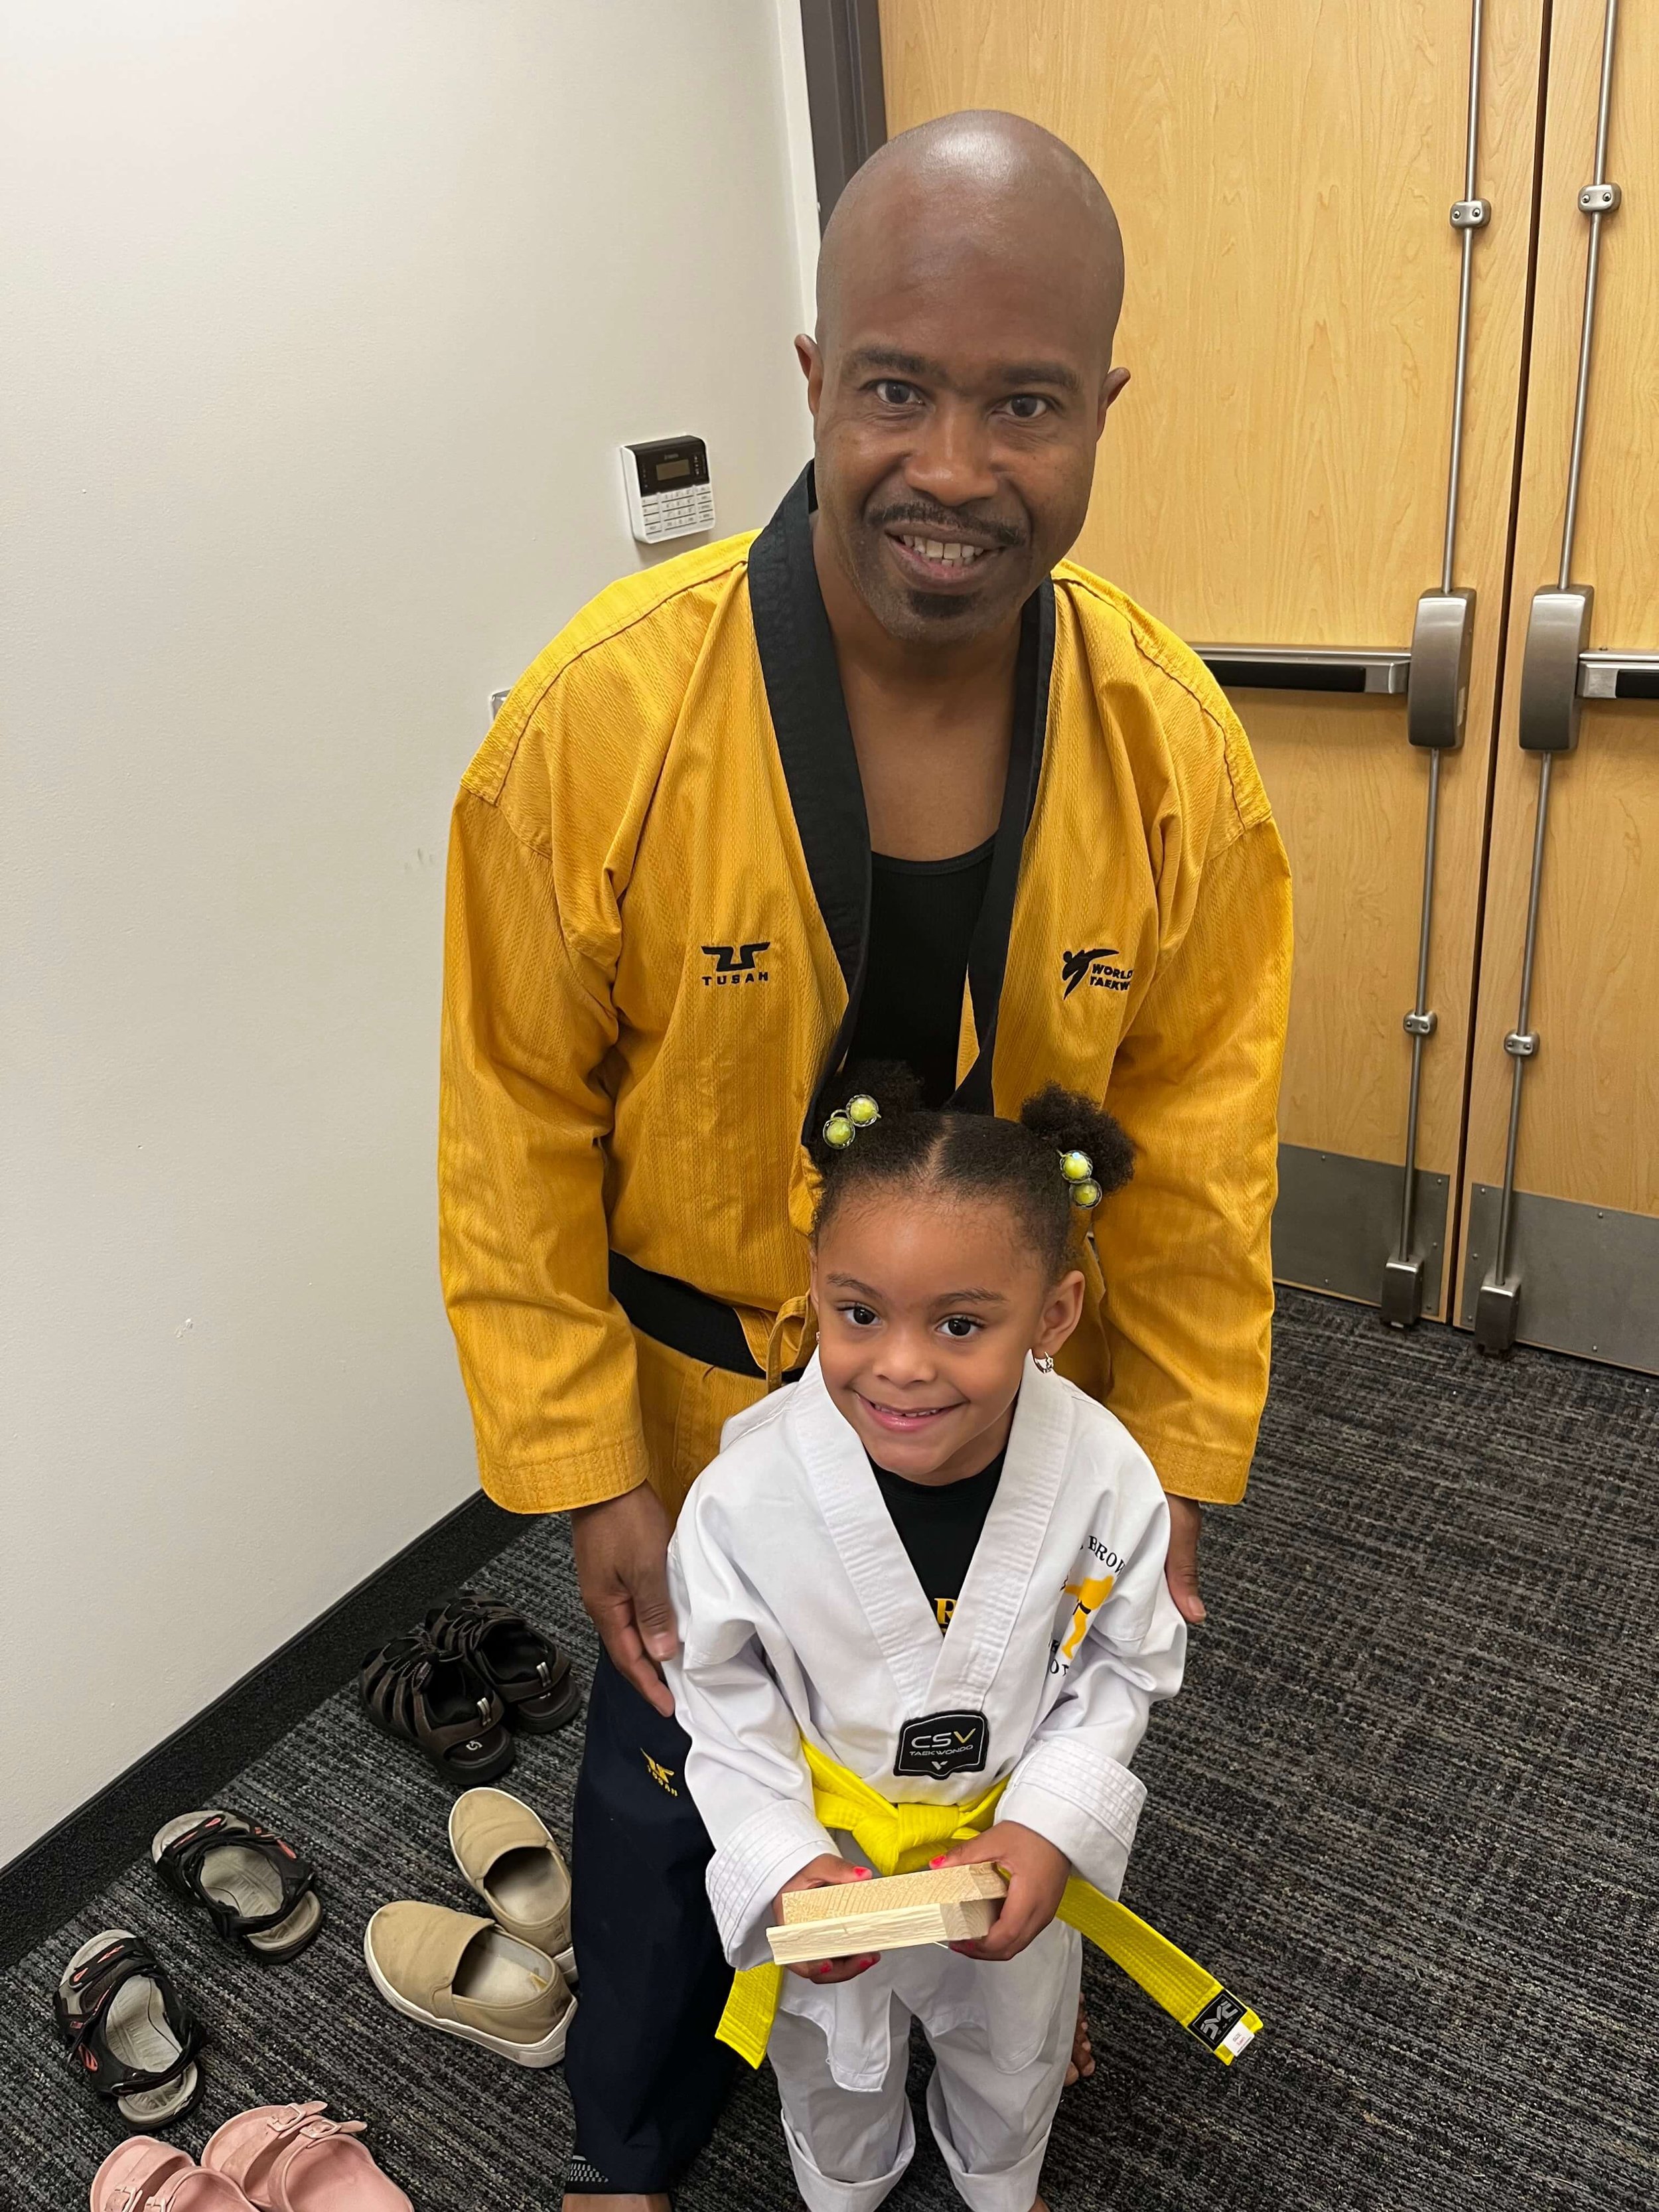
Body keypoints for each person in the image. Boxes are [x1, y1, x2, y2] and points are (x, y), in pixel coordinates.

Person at [439, 109, 1291, 2209]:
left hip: (1023, 1405)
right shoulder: (599, 726)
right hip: (711, 1408)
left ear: (1102, 408)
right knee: (669, 1778)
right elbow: (511, 1126)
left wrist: (1169, 1455)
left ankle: (1003, 1988)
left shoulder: (1173, 753)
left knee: (1009, 1730)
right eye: (895, 386)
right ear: (813, 379)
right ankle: (630, 2128)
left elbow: (1195, 1151)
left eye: (1024, 400)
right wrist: (587, 1466)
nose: (950, 462)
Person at [665, 1070, 1185, 2212]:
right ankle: (848, 2187)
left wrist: (1048, 1826)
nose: (900, 1364)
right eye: (860, 1313)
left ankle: (1004, 2180)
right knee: (828, 2065)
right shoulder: (743, 1498)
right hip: (832, 1853)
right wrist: (779, 1863)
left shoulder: (1104, 1477)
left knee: (1017, 2043)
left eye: (960, 1323)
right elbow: (723, 1698)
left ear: (1053, 1314)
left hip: (999, 1842)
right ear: (814, 1287)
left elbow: (1119, 1665)